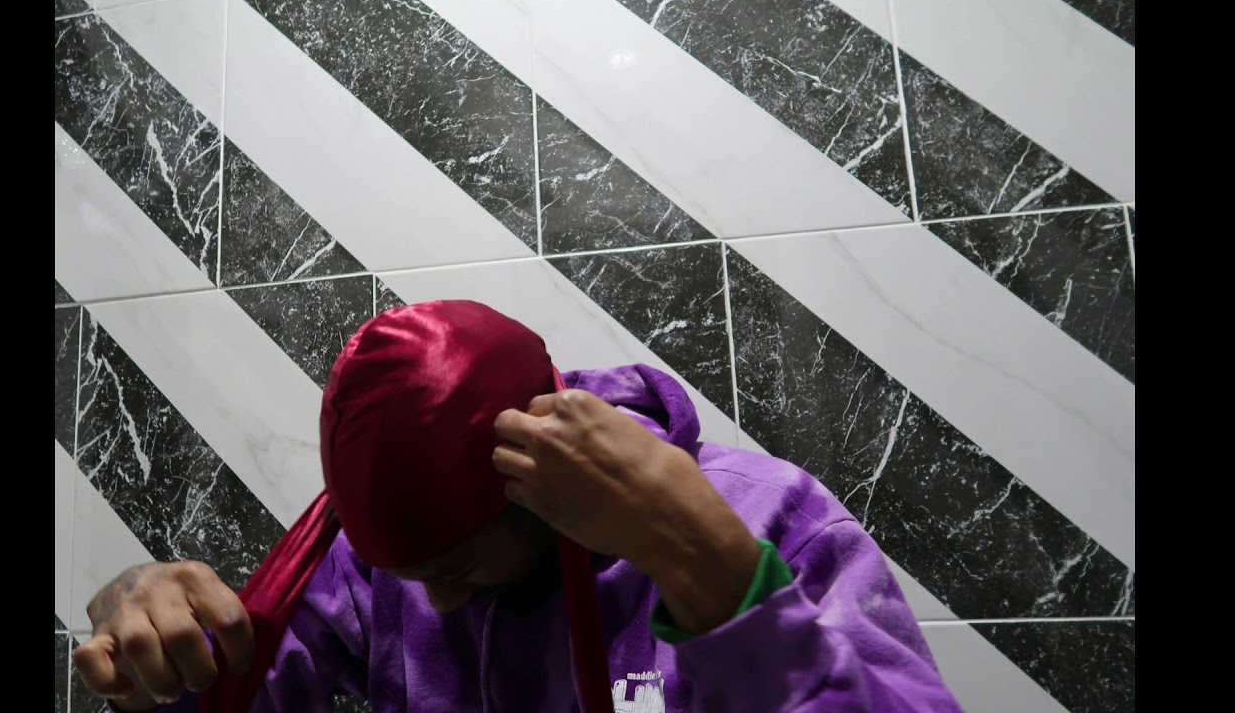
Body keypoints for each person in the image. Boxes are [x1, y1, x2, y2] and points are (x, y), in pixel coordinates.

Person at [74, 299, 963, 712]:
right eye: (414, 578)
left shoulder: (773, 519)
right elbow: (232, 695)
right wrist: (152, 650)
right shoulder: (375, 576)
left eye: (460, 567)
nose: (439, 601)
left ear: (532, 483)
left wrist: (712, 574)